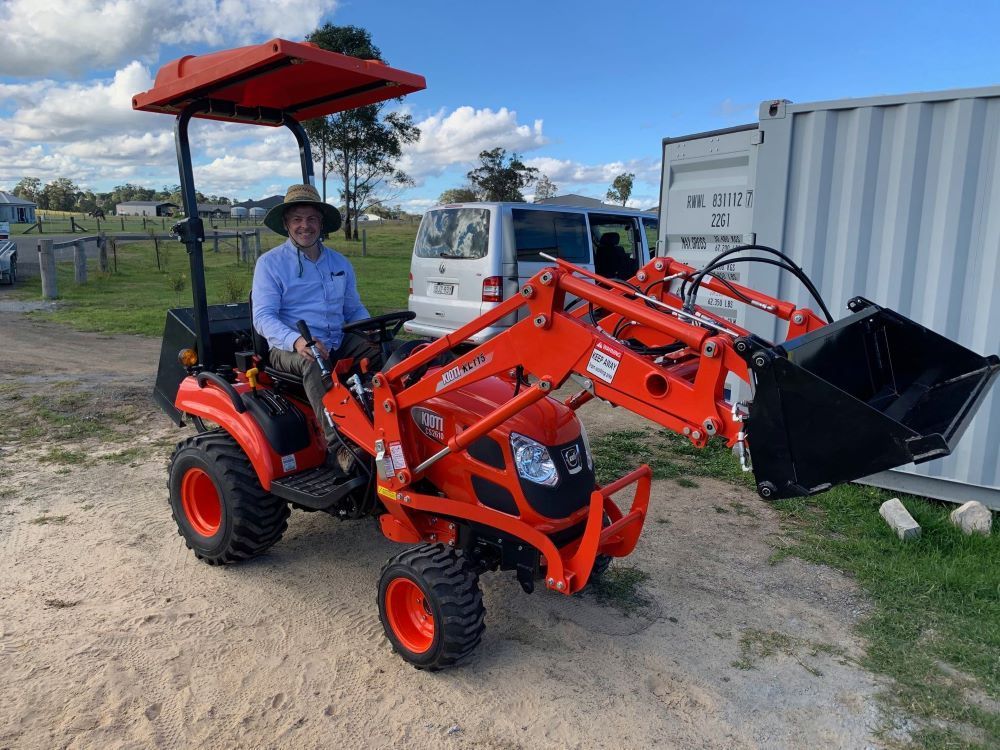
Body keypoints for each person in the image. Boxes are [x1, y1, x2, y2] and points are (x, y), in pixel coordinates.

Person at [251, 184, 379, 454]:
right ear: (286, 224)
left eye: (311, 219)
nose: (304, 226)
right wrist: (297, 341)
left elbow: (353, 309)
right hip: (288, 348)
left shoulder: (339, 263)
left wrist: (371, 332)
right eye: (297, 219)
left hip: (337, 339)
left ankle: (386, 425)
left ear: (321, 223)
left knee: (390, 351)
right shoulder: (270, 264)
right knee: (314, 362)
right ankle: (341, 447)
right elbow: (263, 316)